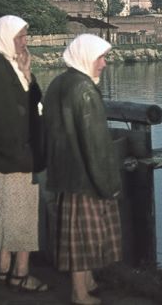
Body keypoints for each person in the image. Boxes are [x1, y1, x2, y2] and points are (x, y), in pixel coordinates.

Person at [43, 34, 122, 305]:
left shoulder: (58, 82)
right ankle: (79, 292)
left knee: (76, 231)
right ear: (87, 57)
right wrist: (108, 183)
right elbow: (95, 142)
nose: (105, 63)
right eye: (101, 57)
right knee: (82, 235)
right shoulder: (85, 90)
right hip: (83, 175)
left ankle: (87, 281)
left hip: (62, 170)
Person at [0, 15, 47, 292]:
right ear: (5, 36)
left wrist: (27, 74)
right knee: (21, 219)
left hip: (5, 156)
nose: (25, 41)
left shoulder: (7, 65)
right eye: (20, 36)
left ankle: (5, 269)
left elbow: (33, 98)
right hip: (12, 157)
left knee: (5, 216)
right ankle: (21, 273)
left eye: (26, 35)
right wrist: (22, 151)